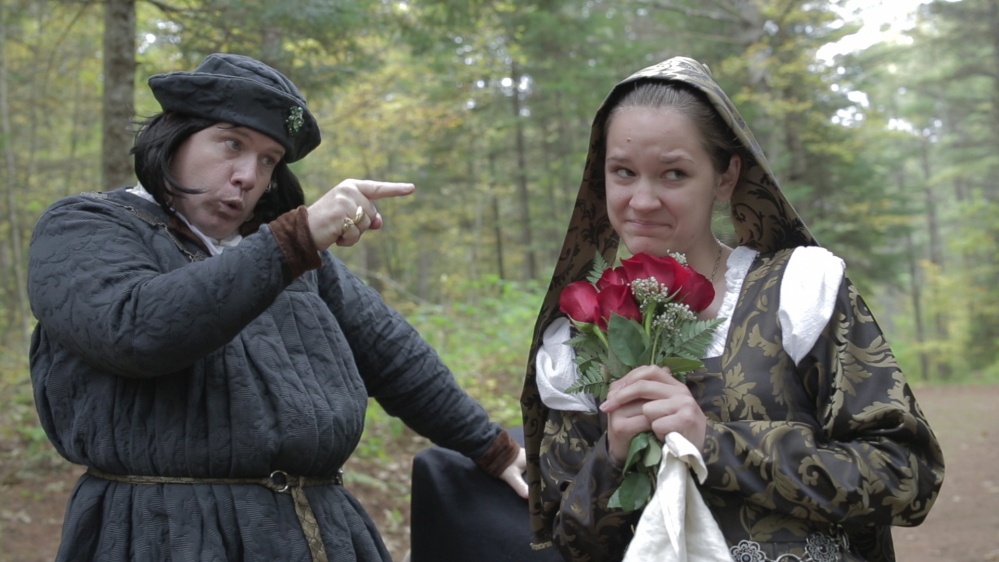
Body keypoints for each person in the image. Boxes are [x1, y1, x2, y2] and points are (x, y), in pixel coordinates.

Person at [27, 52, 526, 562]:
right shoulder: (83, 226)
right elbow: (137, 331)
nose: (248, 175)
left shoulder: (284, 253)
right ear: (175, 135)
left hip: (320, 533)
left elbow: (391, 354)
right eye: (231, 143)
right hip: (162, 535)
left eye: (268, 159)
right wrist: (292, 241)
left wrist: (492, 448)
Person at [520, 56, 945, 561]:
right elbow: (574, 545)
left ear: (725, 178)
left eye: (674, 173)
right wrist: (612, 457)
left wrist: (711, 443)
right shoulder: (578, 337)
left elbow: (906, 475)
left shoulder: (798, 292)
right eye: (623, 172)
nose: (642, 199)